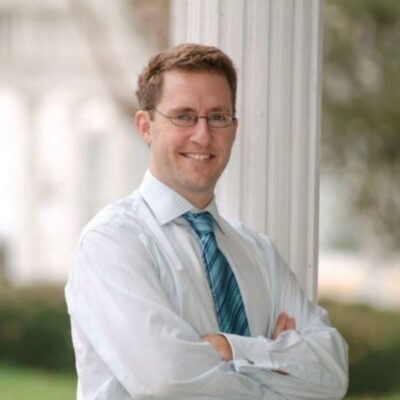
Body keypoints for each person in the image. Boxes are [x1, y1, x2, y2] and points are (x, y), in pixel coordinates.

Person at [65, 43, 348, 399]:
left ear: (234, 128)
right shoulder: (112, 242)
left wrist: (233, 348)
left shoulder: (259, 254)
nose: (202, 135)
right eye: (184, 116)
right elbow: (168, 382)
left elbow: (333, 373)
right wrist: (278, 366)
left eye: (217, 117)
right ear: (146, 126)